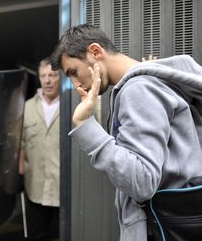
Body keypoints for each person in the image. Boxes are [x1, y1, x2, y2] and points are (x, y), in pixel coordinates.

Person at [50, 23, 202, 241]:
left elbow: (142, 181)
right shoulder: (152, 82)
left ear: (95, 52)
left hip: (159, 230)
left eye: (73, 72)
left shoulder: (137, 89)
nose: (75, 84)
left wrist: (84, 124)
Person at [19, 56, 60, 241]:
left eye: (52, 75)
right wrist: (20, 173)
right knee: (37, 236)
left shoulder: (70, 106)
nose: (47, 80)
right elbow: (20, 144)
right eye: (43, 76)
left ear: (61, 77)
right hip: (34, 187)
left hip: (62, 189)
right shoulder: (27, 107)